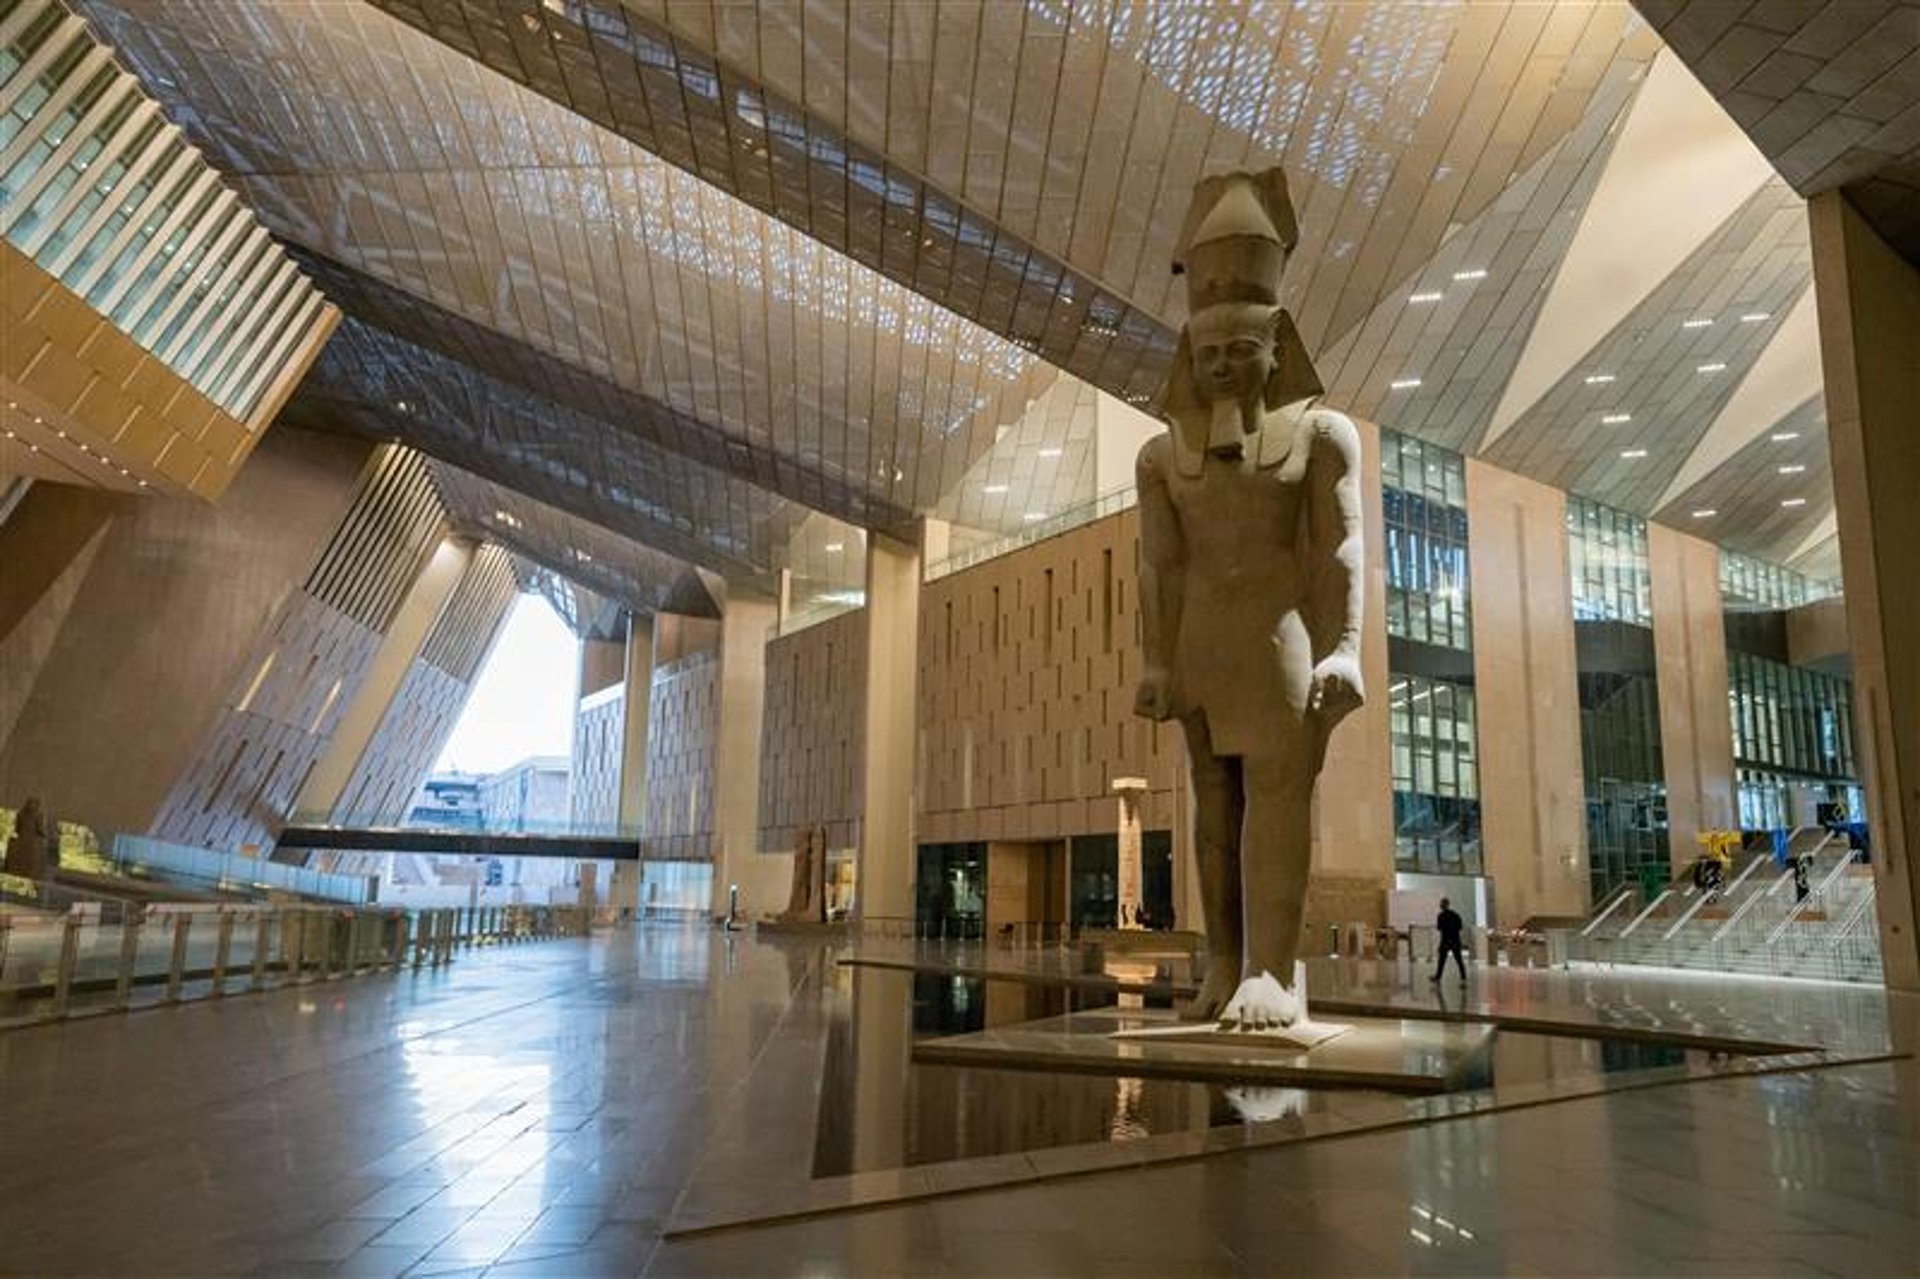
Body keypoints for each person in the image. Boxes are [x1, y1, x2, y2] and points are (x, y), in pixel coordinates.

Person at [1134, 168, 1365, 1031]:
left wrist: (1347, 645)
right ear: (1189, 357)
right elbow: (1158, 565)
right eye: (1210, 352)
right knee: (1211, 808)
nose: (1226, 363)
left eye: (1243, 348)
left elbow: (1340, 546)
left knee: (1276, 797)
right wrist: (1156, 658)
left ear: (1278, 347)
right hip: (1203, 645)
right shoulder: (1160, 458)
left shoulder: (1320, 433)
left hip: (1284, 637)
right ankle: (1223, 961)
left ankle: (1273, 969)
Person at [1430, 898, 1467, 984]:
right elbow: (1460, 927)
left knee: (1441, 961)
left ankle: (1438, 977)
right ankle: (1463, 977)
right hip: (1455, 941)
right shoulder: (1455, 915)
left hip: (1445, 941)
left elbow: (1439, 928)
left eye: (1441, 904)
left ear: (1443, 905)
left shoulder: (1440, 916)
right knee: (1459, 960)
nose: (1440, 905)